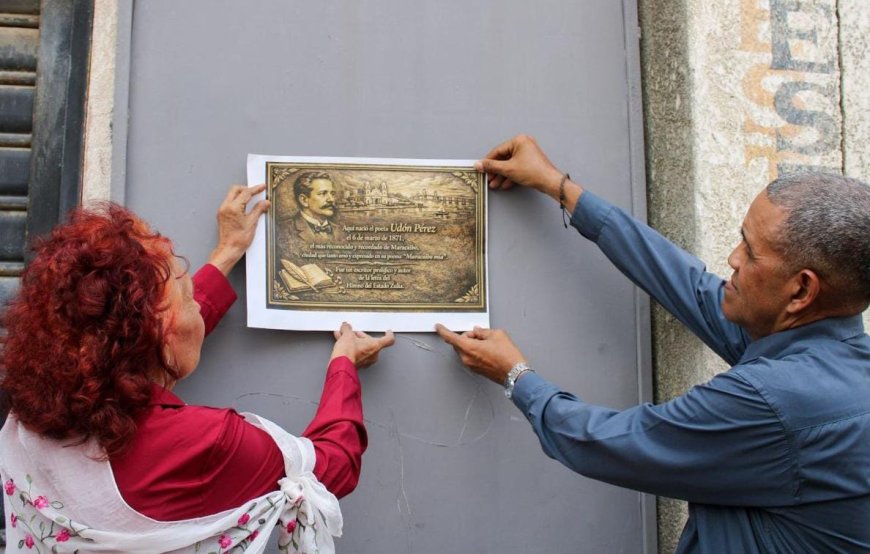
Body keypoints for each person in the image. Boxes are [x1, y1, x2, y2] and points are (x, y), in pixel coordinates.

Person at [436, 135, 870, 553]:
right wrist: (559, 186)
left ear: (801, 291)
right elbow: (686, 284)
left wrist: (514, 374)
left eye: (752, 252)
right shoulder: (824, 355)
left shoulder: (774, 401)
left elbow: (605, 444)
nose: (734, 258)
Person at [0, 184, 395, 553]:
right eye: (187, 299)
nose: (197, 314)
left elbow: (142, 332)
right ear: (159, 335)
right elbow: (332, 466)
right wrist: (345, 363)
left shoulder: (24, 419)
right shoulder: (210, 444)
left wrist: (227, 252)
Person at [288, 172, 340, 241]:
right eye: (322, 193)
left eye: (332, 194)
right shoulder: (285, 229)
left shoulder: (340, 230)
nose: (331, 199)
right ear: (304, 200)